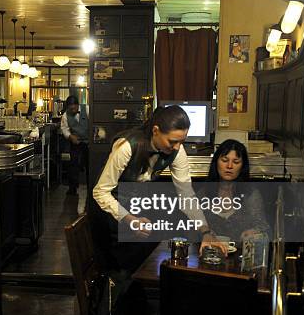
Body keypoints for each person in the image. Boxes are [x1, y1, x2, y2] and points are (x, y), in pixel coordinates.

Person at [91, 105, 222, 274]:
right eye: (173, 141)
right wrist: (130, 219)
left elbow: (186, 194)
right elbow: (100, 191)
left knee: (149, 259)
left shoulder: (176, 150)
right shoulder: (126, 146)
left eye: (181, 141)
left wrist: (205, 231)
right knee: (118, 272)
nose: (177, 147)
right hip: (108, 212)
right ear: (155, 131)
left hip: (135, 211)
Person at [201, 139, 270, 245]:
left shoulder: (250, 194)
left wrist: (254, 233)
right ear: (216, 163)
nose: (229, 166)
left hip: (240, 257)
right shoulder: (203, 194)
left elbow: (264, 229)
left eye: (236, 162)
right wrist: (204, 234)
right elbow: (190, 230)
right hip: (209, 256)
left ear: (242, 166)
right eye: (224, 160)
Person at [60, 95, 89, 195]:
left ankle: (91, 187)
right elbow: (64, 129)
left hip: (88, 142)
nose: (72, 110)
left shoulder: (87, 109)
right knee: (73, 165)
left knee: (89, 165)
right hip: (75, 142)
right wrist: (71, 136)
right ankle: (72, 188)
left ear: (77, 105)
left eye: (74, 108)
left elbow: (93, 122)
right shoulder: (65, 115)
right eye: (70, 108)